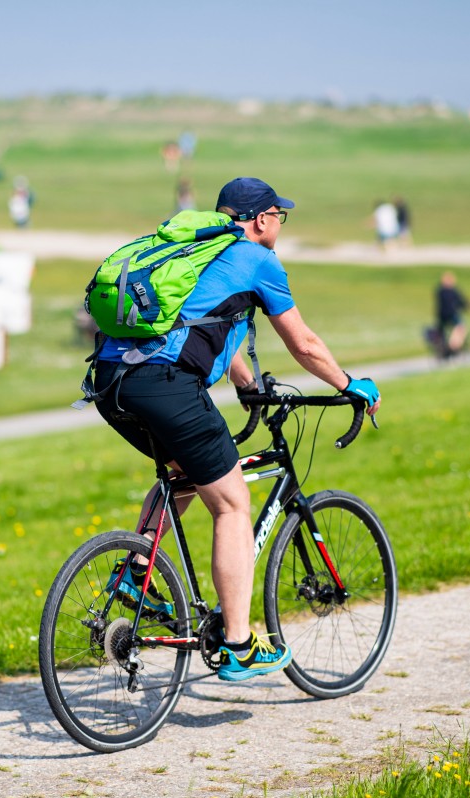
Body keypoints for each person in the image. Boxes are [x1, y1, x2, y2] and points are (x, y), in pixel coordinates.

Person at [92, 177, 381, 682]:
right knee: (231, 503)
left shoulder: (200, 250)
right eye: (279, 216)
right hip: (165, 383)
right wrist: (349, 384)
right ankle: (239, 645)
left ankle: (134, 576)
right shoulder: (257, 260)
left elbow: (208, 328)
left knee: (184, 472)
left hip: (111, 381)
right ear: (263, 218)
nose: (279, 225)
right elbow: (305, 344)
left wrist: (249, 385)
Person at [434, 270, 469, 358]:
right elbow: (460, 302)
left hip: (441, 317)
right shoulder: (452, 291)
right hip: (451, 315)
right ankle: (453, 346)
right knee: (461, 328)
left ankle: (445, 346)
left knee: (443, 331)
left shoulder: (439, 291)